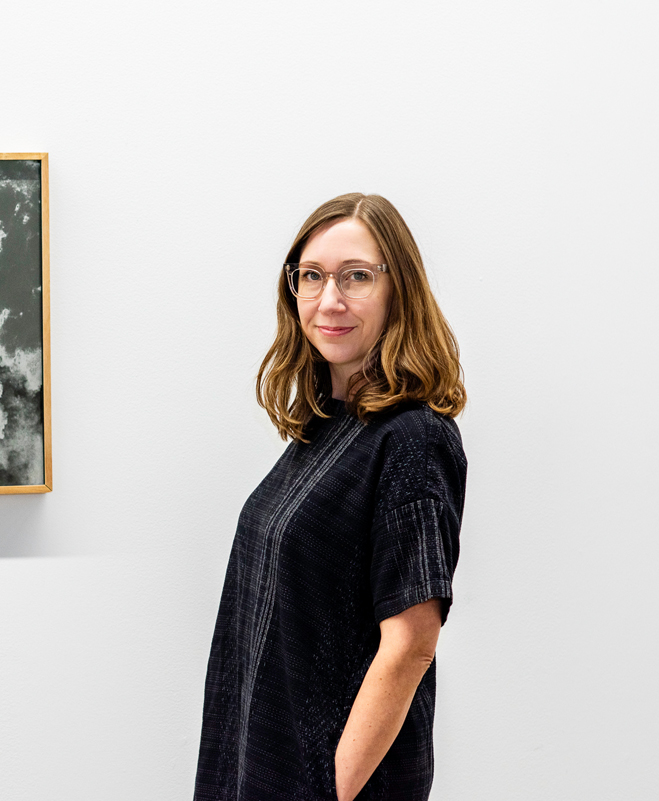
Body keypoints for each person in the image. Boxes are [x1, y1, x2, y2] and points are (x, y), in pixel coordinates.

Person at [194, 193, 468, 801]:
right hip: (261, 767)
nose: (330, 300)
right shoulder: (328, 427)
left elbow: (411, 645)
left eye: (357, 277)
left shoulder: (412, 438)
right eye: (312, 277)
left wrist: (331, 787)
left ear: (401, 289)